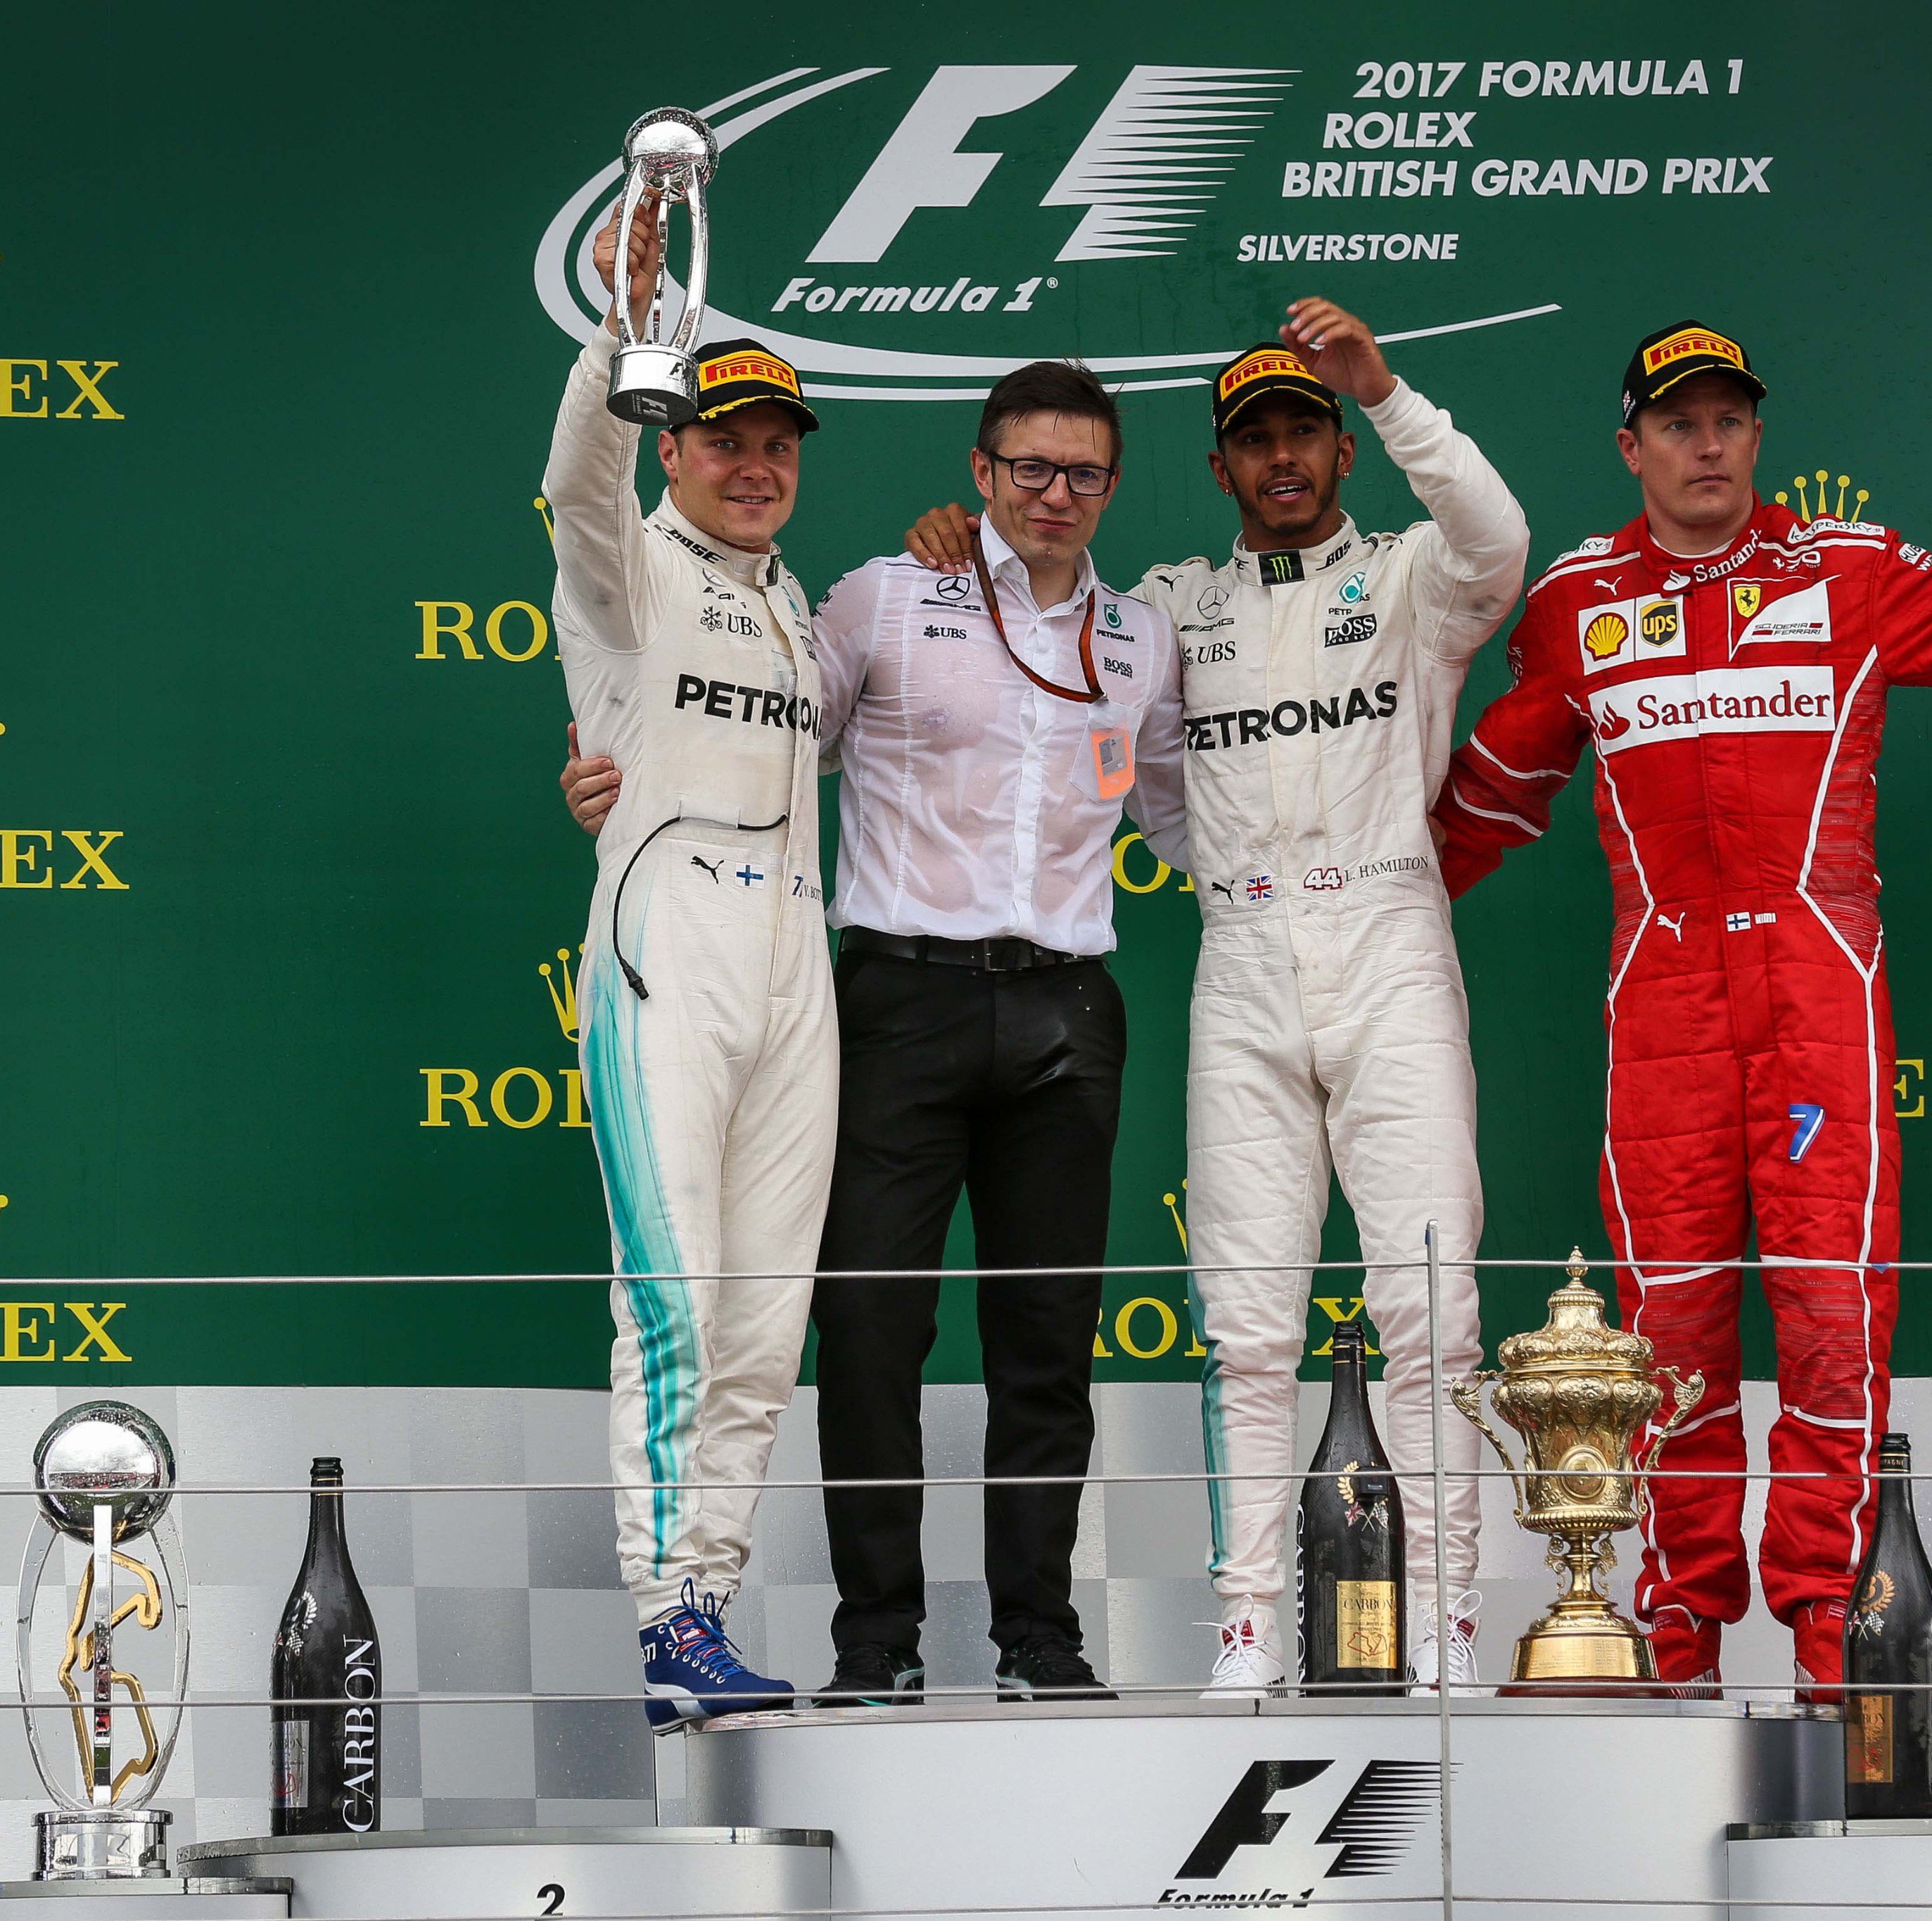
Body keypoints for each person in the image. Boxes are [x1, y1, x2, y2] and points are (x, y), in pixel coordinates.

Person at [1427, 321, 1932, 1696]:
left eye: (1728, 420)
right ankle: (1669, 1638)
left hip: (1816, 989)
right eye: (1677, 421)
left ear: (1756, 437)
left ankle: (1839, 1647)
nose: (1706, 444)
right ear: (1628, 444)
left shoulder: (1848, 570)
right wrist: (1349, 900)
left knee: (1832, 1319)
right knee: (1663, 1336)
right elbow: (1487, 797)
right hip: (1660, 1010)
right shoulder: (1577, 600)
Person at [899, 302, 1527, 1694]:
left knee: (1429, 1311)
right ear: (1222, 463)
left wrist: (1384, 387)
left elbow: (1500, 541)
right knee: (1244, 1326)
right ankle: (1248, 1628)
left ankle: (1442, 1630)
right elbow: (1111, 721)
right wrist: (963, 545)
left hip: (1387, 939)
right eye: (1256, 437)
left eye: (1305, 428)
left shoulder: (1416, 576)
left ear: (1339, 450)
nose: (1284, 455)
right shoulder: (1176, 606)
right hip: (1242, 953)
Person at [563, 361, 1190, 1707]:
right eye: (1029, 466)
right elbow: (620, 572)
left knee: (1016, 1342)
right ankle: (857, 1641)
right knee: (836, 1338)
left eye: (1083, 470)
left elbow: (1192, 806)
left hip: (1051, 1005)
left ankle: (1032, 1637)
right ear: (981, 471)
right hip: (875, 990)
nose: (1055, 492)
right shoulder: (871, 595)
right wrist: (606, 758)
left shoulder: (1132, 635)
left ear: (1116, 485)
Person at [548, 199, 832, 1724]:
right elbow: (568, 484)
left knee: (762, 1319)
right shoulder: (628, 571)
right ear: (675, 446)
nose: (754, 462)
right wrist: (625, 335)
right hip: (672, 946)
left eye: (778, 441)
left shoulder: (794, 603)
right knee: (673, 1301)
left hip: (798, 953)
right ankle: (665, 1615)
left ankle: (707, 1607)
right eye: (724, 437)